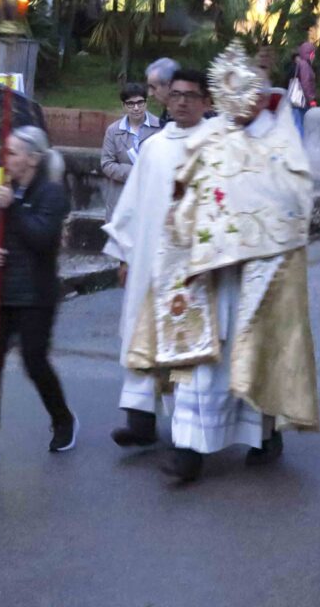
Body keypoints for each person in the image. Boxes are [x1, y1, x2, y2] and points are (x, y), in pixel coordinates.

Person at [130, 46, 317, 484]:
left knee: (254, 355)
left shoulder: (279, 138)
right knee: (200, 365)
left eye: (247, 93)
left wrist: (244, 221)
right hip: (206, 277)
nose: (240, 104)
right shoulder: (210, 136)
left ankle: (263, 436)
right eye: (231, 94)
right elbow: (187, 190)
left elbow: (292, 198)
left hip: (258, 273)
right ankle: (188, 451)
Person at [0, 127, 74, 468]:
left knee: (34, 363)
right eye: (4, 151)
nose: (5, 158)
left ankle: (62, 418)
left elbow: (42, 239)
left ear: (32, 159)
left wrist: (15, 207)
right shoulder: (5, 192)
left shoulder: (51, 194)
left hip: (35, 295)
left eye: (12, 153)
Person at [103, 69, 210, 448]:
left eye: (191, 95)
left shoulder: (216, 146)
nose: (181, 101)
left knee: (188, 351)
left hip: (193, 269)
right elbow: (131, 206)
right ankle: (140, 420)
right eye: (176, 94)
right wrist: (125, 256)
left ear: (206, 101)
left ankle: (190, 435)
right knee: (141, 337)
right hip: (150, 262)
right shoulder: (154, 147)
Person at [99, 83, 161, 221]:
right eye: (131, 104)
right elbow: (107, 164)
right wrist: (135, 172)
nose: (136, 108)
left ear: (146, 103)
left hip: (151, 198)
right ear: (124, 106)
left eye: (140, 102)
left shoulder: (160, 128)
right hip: (121, 198)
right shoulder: (113, 131)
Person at [288, 41, 316, 136]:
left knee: (298, 123)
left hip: (298, 101)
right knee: (299, 126)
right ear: (310, 53)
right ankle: (300, 148)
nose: (314, 56)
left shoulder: (301, 64)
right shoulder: (305, 65)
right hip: (301, 101)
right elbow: (305, 83)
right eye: (313, 53)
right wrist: (311, 99)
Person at [145, 57, 178, 124]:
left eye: (153, 88)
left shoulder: (188, 119)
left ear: (170, 86)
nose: (150, 94)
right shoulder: (167, 115)